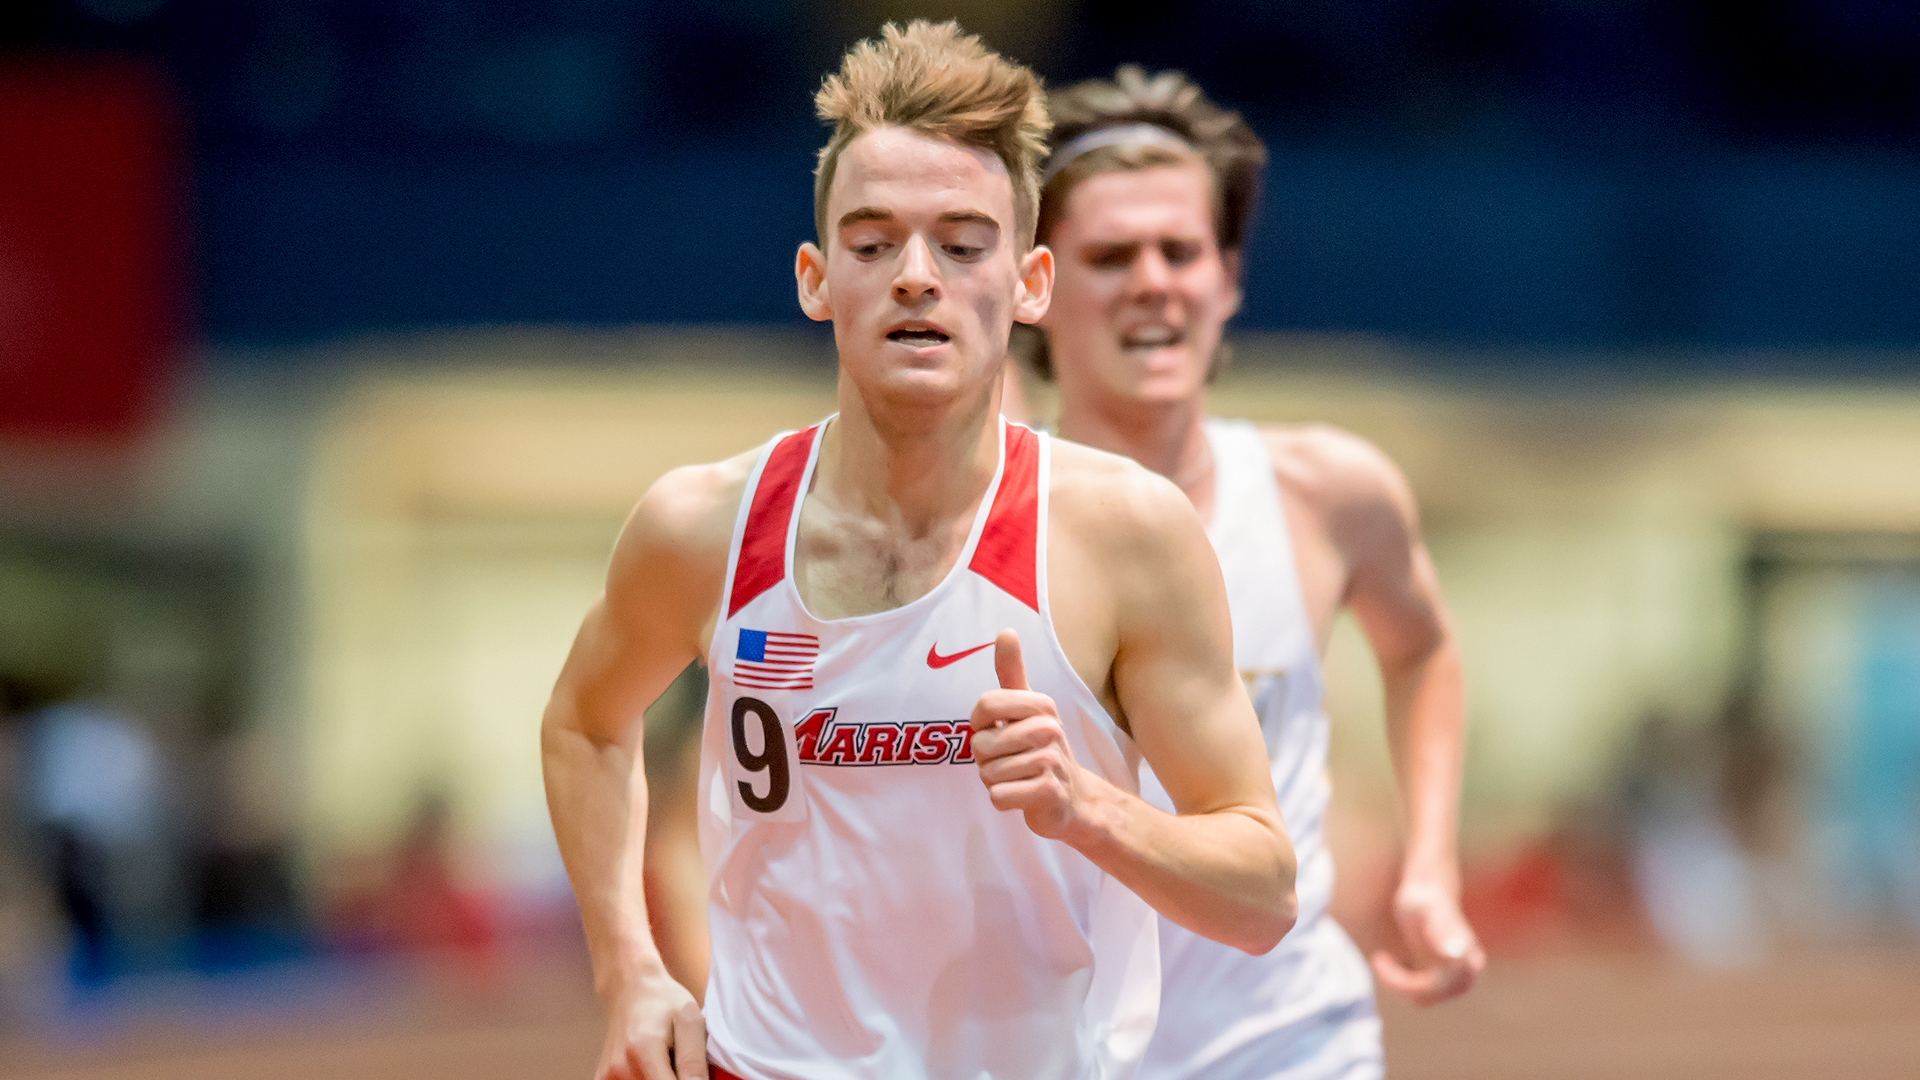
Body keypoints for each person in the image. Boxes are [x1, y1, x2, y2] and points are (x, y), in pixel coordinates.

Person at [540, 23, 1296, 1080]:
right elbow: (584, 724)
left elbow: (1262, 891)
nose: (915, 276)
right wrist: (629, 969)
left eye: (961, 241)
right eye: (872, 240)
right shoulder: (702, 525)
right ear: (815, 278)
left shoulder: (1128, 535)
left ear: (1030, 283)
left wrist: (1092, 809)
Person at [1020, 67, 1485, 1079]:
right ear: (1036, 289)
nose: (1152, 280)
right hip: (1054, 1052)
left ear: (1227, 280)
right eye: (1110, 255)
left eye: (1180, 250)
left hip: (1285, 1042)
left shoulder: (1327, 495)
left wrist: (1430, 865)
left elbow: (1426, 651)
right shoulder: (982, 524)